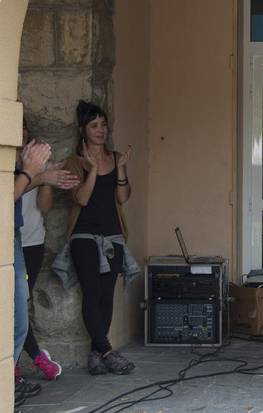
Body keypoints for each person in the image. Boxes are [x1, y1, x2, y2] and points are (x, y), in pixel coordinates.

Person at [52, 100, 140, 375]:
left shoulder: (115, 158)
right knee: (91, 294)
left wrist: (121, 169)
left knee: (106, 297)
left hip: (113, 235)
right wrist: (91, 170)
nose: (100, 130)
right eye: (94, 126)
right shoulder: (73, 162)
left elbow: (122, 198)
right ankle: (108, 351)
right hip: (84, 235)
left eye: (103, 125)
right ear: (83, 130)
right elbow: (82, 199)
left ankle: (95, 354)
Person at [19, 119, 64, 381]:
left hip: (31, 243)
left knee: (20, 305)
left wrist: (46, 178)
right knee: (15, 308)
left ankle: (19, 362)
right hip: (8, 244)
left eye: (24, 129)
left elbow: (45, 207)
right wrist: (41, 177)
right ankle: (36, 356)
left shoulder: (36, 164)